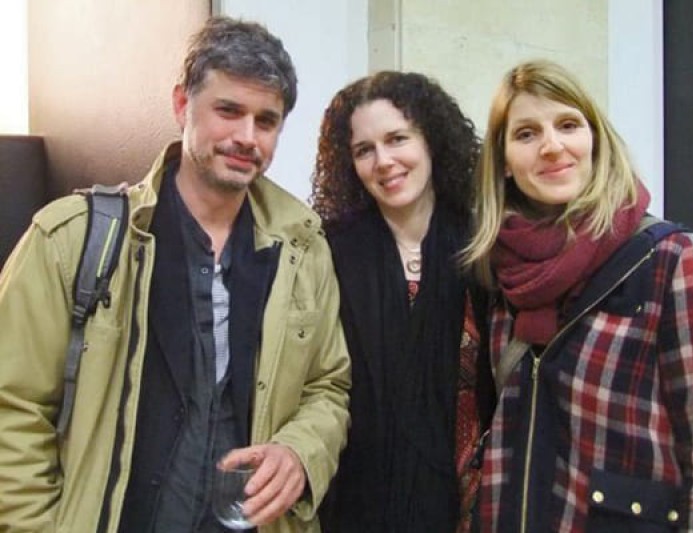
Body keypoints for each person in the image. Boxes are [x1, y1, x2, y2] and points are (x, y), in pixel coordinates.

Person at [0, 16, 350, 533]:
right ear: (183, 104)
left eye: (266, 120)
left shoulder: (303, 247)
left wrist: (300, 451)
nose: (246, 137)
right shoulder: (71, 239)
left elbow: (329, 385)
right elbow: (14, 406)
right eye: (228, 111)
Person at [461, 59, 693, 532]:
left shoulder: (668, 259)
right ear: (506, 164)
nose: (552, 146)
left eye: (568, 124)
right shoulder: (498, 272)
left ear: (594, 139)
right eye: (527, 133)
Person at [310, 71, 491, 532]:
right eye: (364, 150)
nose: (384, 161)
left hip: (470, 505)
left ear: (429, 139)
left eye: (397, 139)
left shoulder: (485, 244)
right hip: (355, 507)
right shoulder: (327, 252)